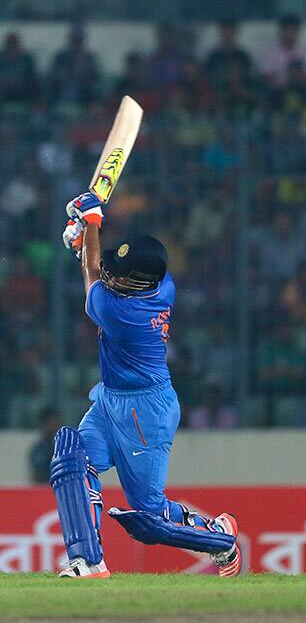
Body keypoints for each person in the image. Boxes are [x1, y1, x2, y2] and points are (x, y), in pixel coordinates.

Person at [51, 190, 241, 578]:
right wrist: (84, 236)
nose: (110, 273)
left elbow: (91, 275)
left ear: (135, 284)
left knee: (149, 518)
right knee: (71, 455)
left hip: (145, 413)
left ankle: (220, 538)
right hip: (111, 401)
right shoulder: (160, 284)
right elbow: (99, 267)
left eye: (118, 275)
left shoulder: (123, 313)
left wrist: (88, 226)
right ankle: (88, 561)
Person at [28, 407, 61, 483]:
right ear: (44, 425)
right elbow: (38, 476)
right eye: (51, 424)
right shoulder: (38, 450)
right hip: (45, 490)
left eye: (56, 424)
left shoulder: (67, 448)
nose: (54, 428)